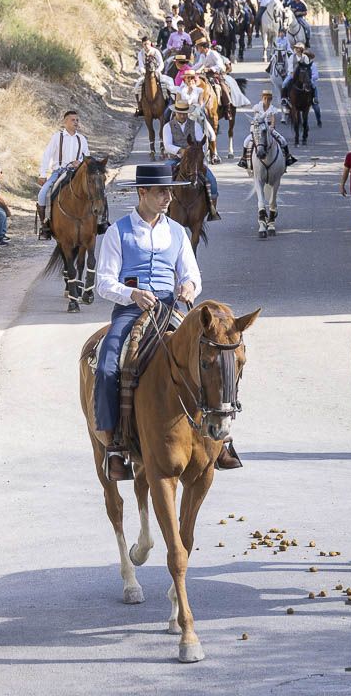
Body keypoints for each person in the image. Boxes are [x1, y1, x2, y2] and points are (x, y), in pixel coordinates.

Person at [92, 164, 240, 481]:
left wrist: (189, 287)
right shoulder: (117, 232)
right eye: (161, 191)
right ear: (142, 192)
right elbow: (103, 283)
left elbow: (191, 274)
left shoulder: (177, 231)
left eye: (170, 191)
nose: (168, 197)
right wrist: (131, 294)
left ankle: (222, 437)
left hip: (171, 306)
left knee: (214, 354)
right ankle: (113, 443)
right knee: (107, 365)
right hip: (132, 309)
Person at [162, 98, 220, 221]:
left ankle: (212, 209)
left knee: (212, 181)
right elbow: (167, 145)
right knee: (162, 179)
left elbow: (201, 143)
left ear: (188, 113)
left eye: (184, 113)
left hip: (193, 160)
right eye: (179, 113)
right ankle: (163, 207)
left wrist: (195, 154)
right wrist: (180, 151)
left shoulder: (196, 125)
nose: (182, 115)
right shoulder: (168, 126)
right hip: (175, 159)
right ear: (175, 112)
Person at [37, 110, 89, 240]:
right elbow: (47, 155)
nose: (76, 122)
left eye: (77, 120)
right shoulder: (57, 137)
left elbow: (87, 158)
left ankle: (100, 221)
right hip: (59, 172)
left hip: (77, 173)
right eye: (73, 120)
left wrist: (81, 162)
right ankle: (45, 226)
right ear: (65, 122)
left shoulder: (81, 139)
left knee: (96, 191)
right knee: (43, 194)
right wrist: (42, 174)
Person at [240, 91, 297, 168]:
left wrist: (271, 127)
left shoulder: (272, 108)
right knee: (247, 141)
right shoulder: (257, 107)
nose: (267, 100)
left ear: (271, 99)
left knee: (282, 139)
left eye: (269, 99)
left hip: (269, 128)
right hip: (259, 128)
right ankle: (243, 159)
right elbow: (256, 118)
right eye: (265, 98)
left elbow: (273, 119)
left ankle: (288, 157)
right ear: (262, 98)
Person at [192, 39, 251, 109]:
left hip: (216, 74)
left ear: (202, 47)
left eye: (197, 47)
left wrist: (210, 69)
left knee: (223, 86)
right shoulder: (202, 56)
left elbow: (220, 66)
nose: (197, 49)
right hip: (206, 75)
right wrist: (189, 70)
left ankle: (228, 105)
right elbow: (198, 65)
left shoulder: (213, 53)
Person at [134, 37, 174, 116]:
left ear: (150, 44)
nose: (146, 46)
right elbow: (141, 64)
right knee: (137, 87)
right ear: (142, 45)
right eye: (144, 44)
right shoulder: (140, 53)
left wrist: (158, 71)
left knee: (169, 83)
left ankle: (169, 102)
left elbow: (161, 63)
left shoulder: (156, 52)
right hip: (145, 74)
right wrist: (143, 71)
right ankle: (140, 107)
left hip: (156, 72)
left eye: (148, 44)